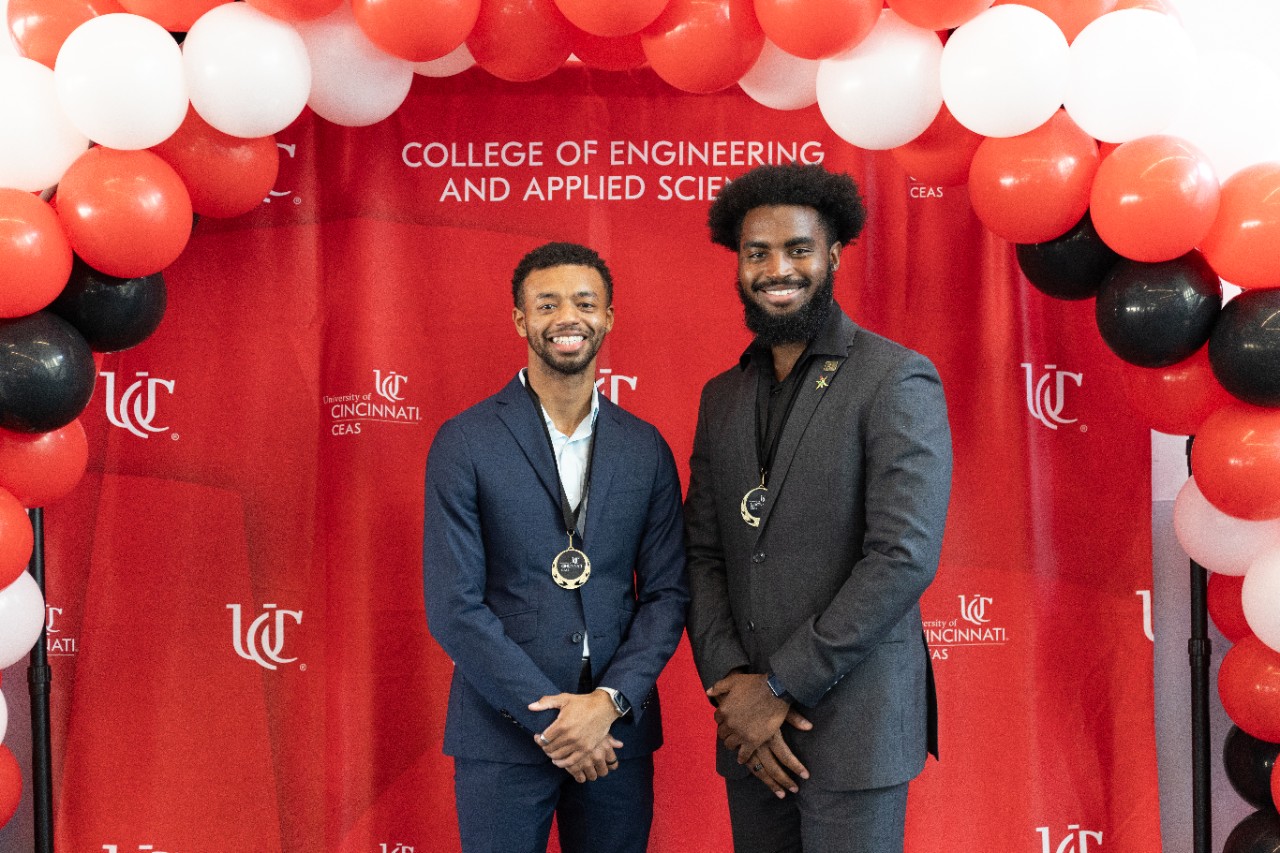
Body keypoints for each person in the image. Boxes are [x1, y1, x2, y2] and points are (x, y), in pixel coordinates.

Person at [684, 164, 952, 853]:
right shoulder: (722, 395)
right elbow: (703, 554)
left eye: (798, 249)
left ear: (832, 254)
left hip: (854, 729)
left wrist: (779, 683)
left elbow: (902, 556)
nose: (778, 268)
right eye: (757, 252)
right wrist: (735, 691)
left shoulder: (894, 377)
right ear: (738, 265)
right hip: (750, 731)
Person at [423, 242, 688, 853]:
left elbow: (668, 593)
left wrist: (608, 704)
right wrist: (558, 723)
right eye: (547, 304)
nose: (568, 317)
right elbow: (454, 607)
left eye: (585, 302)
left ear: (609, 317)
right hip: (502, 736)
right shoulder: (464, 442)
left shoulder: (646, 447)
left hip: (616, 737)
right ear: (521, 320)